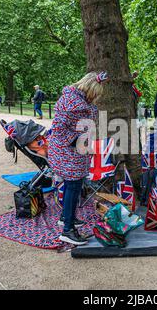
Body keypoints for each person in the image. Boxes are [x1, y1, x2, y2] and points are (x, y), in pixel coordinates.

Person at [48, 71, 109, 245]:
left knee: (72, 185)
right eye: (95, 93)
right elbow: (59, 128)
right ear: (89, 88)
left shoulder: (80, 100)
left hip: (74, 151)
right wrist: (78, 141)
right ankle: (67, 231)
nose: (96, 97)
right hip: (68, 151)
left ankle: (66, 217)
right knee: (73, 185)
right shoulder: (72, 101)